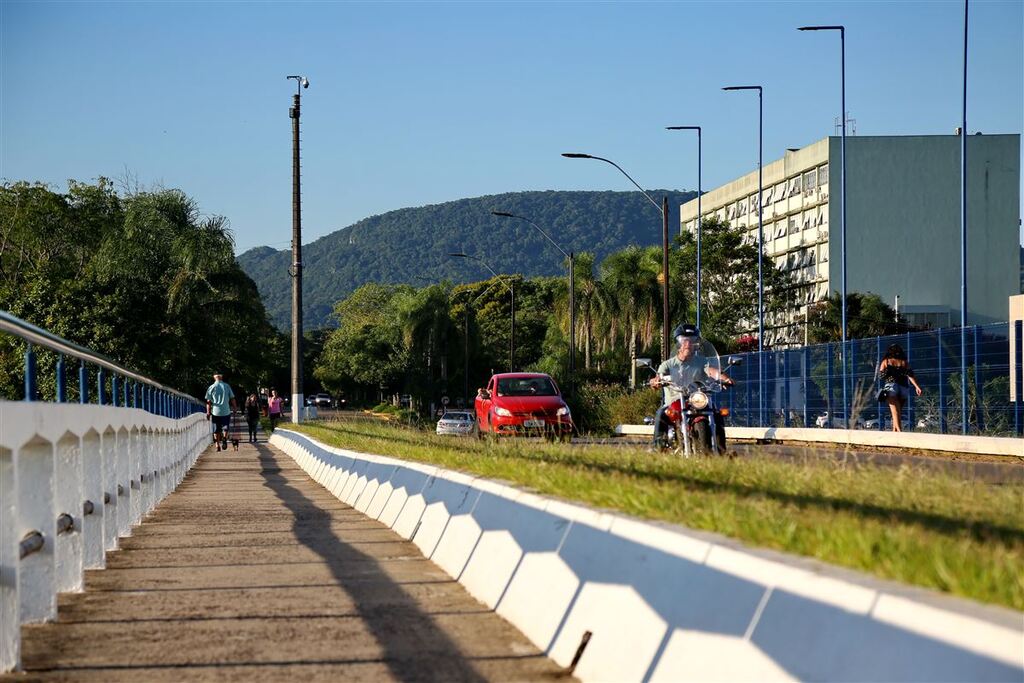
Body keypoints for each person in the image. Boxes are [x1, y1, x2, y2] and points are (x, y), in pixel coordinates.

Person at [648, 324, 731, 449]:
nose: (688, 343)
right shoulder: (668, 364)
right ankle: (658, 447)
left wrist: (724, 379)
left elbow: (712, 371)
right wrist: (656, 381)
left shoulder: (702, 361)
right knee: (661, 413)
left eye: (692, 340)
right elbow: (659, 376)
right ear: (678, 343)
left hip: (697, 399)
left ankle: (721, 450)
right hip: (675, 400)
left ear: (696, 343)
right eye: (684, 340)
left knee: (716, 413)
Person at [878, 344, 922, 432]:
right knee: (898, 411)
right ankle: (894, 430)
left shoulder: (886, 361)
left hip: (891, 385)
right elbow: (910, 375)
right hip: (904, 387)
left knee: (894, 410)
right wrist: (917, 387)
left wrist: (888, 374)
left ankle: (899, 429)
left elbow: (880, 375)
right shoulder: (904, 362)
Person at [205, 372, 237, 452]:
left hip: (215, 412)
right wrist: (235, 408)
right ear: (221, 378)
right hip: (226, 411)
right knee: (225, 427)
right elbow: (232, 398)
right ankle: (225, 438)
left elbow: (208, 402)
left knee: (216, 430)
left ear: (214, 378)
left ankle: (217, 445)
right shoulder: (227, 386)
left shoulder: (211, 387)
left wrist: (208, 412)